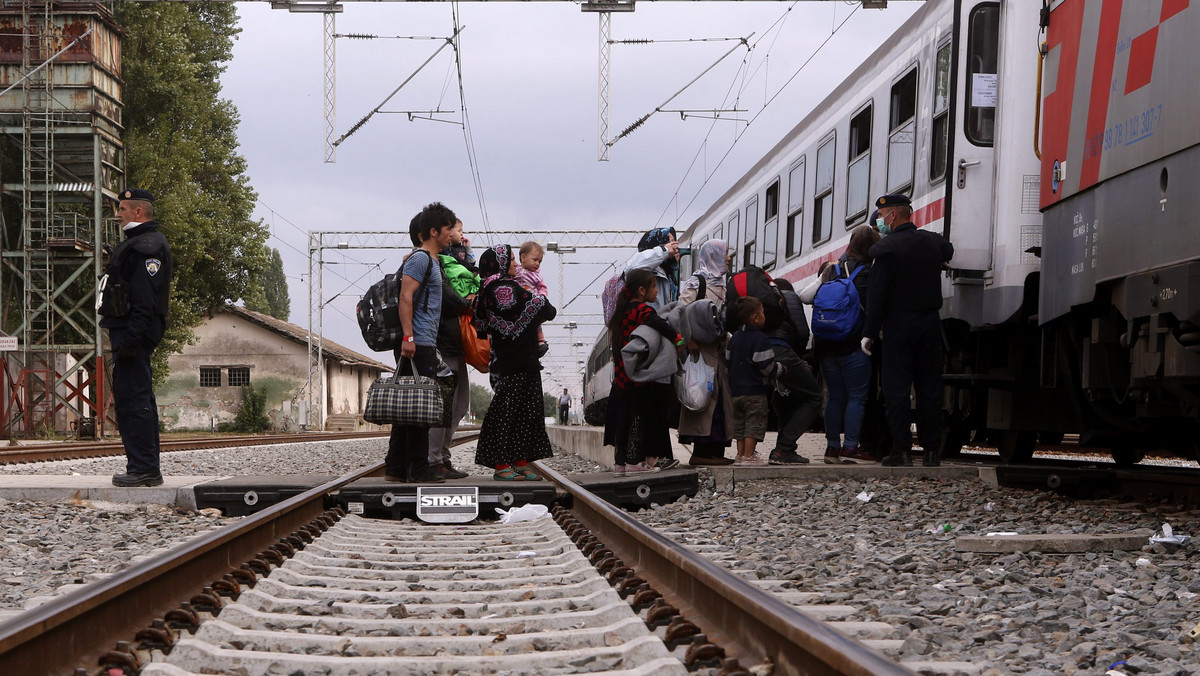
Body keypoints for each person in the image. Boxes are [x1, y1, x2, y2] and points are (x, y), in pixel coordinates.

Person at [862, 194, 954, 467]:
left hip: (898, 325)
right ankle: (931, 452)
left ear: (893, 215)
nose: (879, 221)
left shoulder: (886, 249)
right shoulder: (932, 242)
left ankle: (901, 450)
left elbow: (877, 295)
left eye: (881, 216)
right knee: (929, 388)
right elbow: (947, 250)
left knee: (897, 389)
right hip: (929, 323)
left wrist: (869, 331)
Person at [100, 188, 173, 487]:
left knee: (134, 400)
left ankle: (144, 469)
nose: (118, 214)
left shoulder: (148, 247)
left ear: (138, 212)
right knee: (134, 398)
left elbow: (145, 301)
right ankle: (141, 466)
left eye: (122, 208)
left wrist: (131, 340)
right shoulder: (135, 244)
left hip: (133, 335)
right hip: (128, 333)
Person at [385, 202, 457, 483]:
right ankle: (418, 468)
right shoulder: (420, 259)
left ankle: (395, 468)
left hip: (422, 341)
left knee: (407, 407)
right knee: (418, 408)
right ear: (434, 231)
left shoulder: (431, 260)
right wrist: (408, 336)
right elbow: (406, 297)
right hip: (417, 342)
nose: (452, 233)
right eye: (448, 228)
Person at [473, 244, 557, 480]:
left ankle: (520, 461)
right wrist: (540, 302)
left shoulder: (505, 285)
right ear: (498, 264)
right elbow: (544, 308)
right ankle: (501, 465)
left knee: (526, 411)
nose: (515, 264)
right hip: (511, 361)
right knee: (507, 412)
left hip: (525, 357)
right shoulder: (500, 288)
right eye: (511, 260)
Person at [800, 224, 880, 464]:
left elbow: (805, 296)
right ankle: (850, 447)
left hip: (825, 345)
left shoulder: (831, 270)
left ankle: (832, 448)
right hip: (854, 345)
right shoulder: (869, 273)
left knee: (835, 397)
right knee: (856, 397)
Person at [606, 268, 684, 475]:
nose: (657, 291)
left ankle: (620, 464)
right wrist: (678, 338)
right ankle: (634, 462)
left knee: (624, 418)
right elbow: (657, 324)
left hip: (622, 375)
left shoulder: (621, 312)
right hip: (638, 376)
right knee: (639, 418)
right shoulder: (642, 310)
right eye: (654, 286)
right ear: (641, 290)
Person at [676, 239, 735, 467]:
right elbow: (680, 310)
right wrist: (688, 339)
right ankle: (701, 452)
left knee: (718, 401)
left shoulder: (722, 283)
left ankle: (715, 452)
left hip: (718, 351)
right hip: (700, 350)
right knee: (703, 399)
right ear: (713, 256)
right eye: (725, 253)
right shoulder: (697, 281)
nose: (728, 258)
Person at [427, 218, 478, 480]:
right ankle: (435, 459)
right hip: (444, 343)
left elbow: (470, 273)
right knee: (444, 406)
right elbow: (452, 299)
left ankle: (443, 457)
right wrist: (470, 300)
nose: (455, 235)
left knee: (458, 405)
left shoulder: (451, 260)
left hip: (455, 344)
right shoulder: (436, 264)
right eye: (452, 230)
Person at [725, 296, 786, 465]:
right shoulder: (760, 339)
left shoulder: (734, 338)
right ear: (756, 317)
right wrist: (780, 369)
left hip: (735, 391)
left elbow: (728, 363)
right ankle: (749, 456)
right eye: (763, 312)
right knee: (753, 423)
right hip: (754, 391)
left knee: (740, 424)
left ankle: (740, 455)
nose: (764, 315)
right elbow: (766, 366)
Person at [766, 278, 819, 464]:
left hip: (762, 353)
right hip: (784, 352)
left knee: (784, 398)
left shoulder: (762, 300)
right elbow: (803, 332)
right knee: (814, 396)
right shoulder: (790, 296)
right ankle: (784, 448)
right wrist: (798, 358)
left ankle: (784, 449)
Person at [623, 227, 681, 311]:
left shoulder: (669, 274)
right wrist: (664, 250)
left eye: (674, 241)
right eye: (670, 242)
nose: (674, 246)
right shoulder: (643, 269)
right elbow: (631, 269)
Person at [515, 241, 551, 357]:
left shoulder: (537, 275)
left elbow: (543, 288)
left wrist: (541, 298)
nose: (537, 264)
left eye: (539, 261)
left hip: (533, 303)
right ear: (523, 257)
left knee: (536, 324)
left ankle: (540, 341)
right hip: (519, 304)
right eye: (535, 260)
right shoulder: (516, 270)